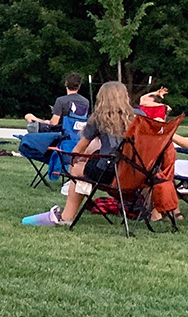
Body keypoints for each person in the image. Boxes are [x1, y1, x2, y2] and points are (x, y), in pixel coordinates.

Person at [22, 81, 138, 226]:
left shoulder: (99, 118)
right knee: (87, 165)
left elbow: (80, 148)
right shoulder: (140, 117)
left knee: (78, 169)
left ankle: (66, 217)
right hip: (138, 172)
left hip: (111, 172)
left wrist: (72, 163)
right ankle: (155, 215)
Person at [25, 72, 90, 131]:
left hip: (62, 133)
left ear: (66, 83)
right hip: (78, 134)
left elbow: (53, 123)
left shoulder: (61, 101)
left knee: (29, 118)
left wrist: (39, 120)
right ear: (79, 86)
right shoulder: (86, 102)